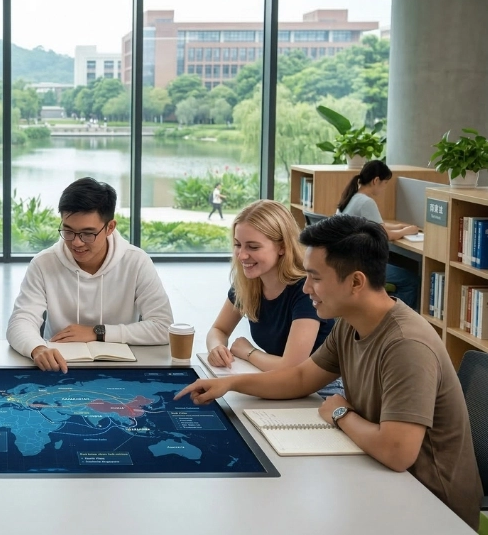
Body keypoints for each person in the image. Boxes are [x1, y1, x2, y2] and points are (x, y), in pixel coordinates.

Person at [176, 215, 482, 530]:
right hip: (381, 478)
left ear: (356, 282)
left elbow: (397, 452)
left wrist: (338, 412)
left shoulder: (406, 345)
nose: (306, 287)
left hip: (431, 507)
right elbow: (299, 378)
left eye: (315, 278)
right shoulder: (350, 322)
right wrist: (230, 383)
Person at [7, 177, 175, 373]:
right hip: (60, 366)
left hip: (122, 367)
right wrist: (38, 348)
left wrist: (98, 332)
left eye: (88, 233)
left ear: (110, 227)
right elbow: (20, 321)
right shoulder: (44, 263)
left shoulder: (136, 261)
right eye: (68, 231)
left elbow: (164, 327)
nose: (76, 243)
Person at [205, 201, 340, 395]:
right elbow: (218, 329)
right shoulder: (248, 282)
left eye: (253, 247)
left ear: (282, 247)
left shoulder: (306, 289)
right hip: (280, 379)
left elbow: (291, 367)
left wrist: (248, 352)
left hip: (322, 389)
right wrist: (216, 347)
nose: (242, 255)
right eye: (237, 245)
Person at [336, 160, 419, 309]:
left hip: (345, 260)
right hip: (359, 264)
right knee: (411, 281)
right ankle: (393, 320)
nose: (385, 188)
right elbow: (384, 234)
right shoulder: (366, 202)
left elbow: (374, 226)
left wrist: (398, 226)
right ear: (376, 181)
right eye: (385, 183)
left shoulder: (351, 197)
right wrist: (407, 231)